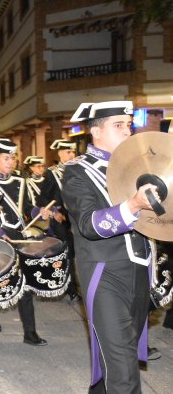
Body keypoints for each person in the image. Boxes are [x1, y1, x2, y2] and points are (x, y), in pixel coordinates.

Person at [62, 100, 158, 393]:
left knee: (117, 361)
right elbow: (89, 225)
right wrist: (133, 205)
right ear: (96, 131)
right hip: (105, 275)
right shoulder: (77, 172)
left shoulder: (140, 168)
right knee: (124, 370)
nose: (127, 131)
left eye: (128, 125)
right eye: (118, 125)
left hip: (140, 272)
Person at [0, 138, 51, 345]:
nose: (10, 162)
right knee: (0, 281)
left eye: (13, 158)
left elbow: (27, 207)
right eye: (6, 158)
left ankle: (30, 333)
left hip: (20, 235)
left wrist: (40, 212)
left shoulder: (21, 182)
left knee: (25, 284)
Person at [39, 139, 79, 300]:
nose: (71, 155)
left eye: (73, 152)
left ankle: (71, 283)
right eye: (68, 152)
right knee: (67, 252)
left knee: (76, 252)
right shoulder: (52, 172)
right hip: (60, 218)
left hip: (76, 217)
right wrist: (54, 211)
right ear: (60, 153)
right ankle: (71, 289)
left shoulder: (78, 170)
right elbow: (43, 198)